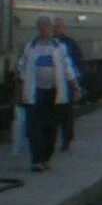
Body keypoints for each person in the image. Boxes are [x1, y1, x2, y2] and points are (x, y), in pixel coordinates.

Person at [17, 15, 81, 173]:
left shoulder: (59, 47)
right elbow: (22, 69)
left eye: (47, 26)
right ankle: (36, 160)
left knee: (50, 127)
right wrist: (19, 90)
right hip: (35, 92)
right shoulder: (30, 47)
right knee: (34, 127)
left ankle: (46, 157)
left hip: (53, 93)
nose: (45, 29)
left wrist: (75, 86)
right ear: (39, 29)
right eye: (42, 26)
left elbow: (68, 68)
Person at [51, 18, 85, 152]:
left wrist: (76, 84)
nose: (56, 29)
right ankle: (52, 141)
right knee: (51, 115)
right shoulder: (46, 43)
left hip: (67, 85)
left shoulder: (69, 43)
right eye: (54, 26)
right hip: (51, 85)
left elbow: (77, 62)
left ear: (63, 28)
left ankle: (67, 140)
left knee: (66, 115)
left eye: (58, 27)